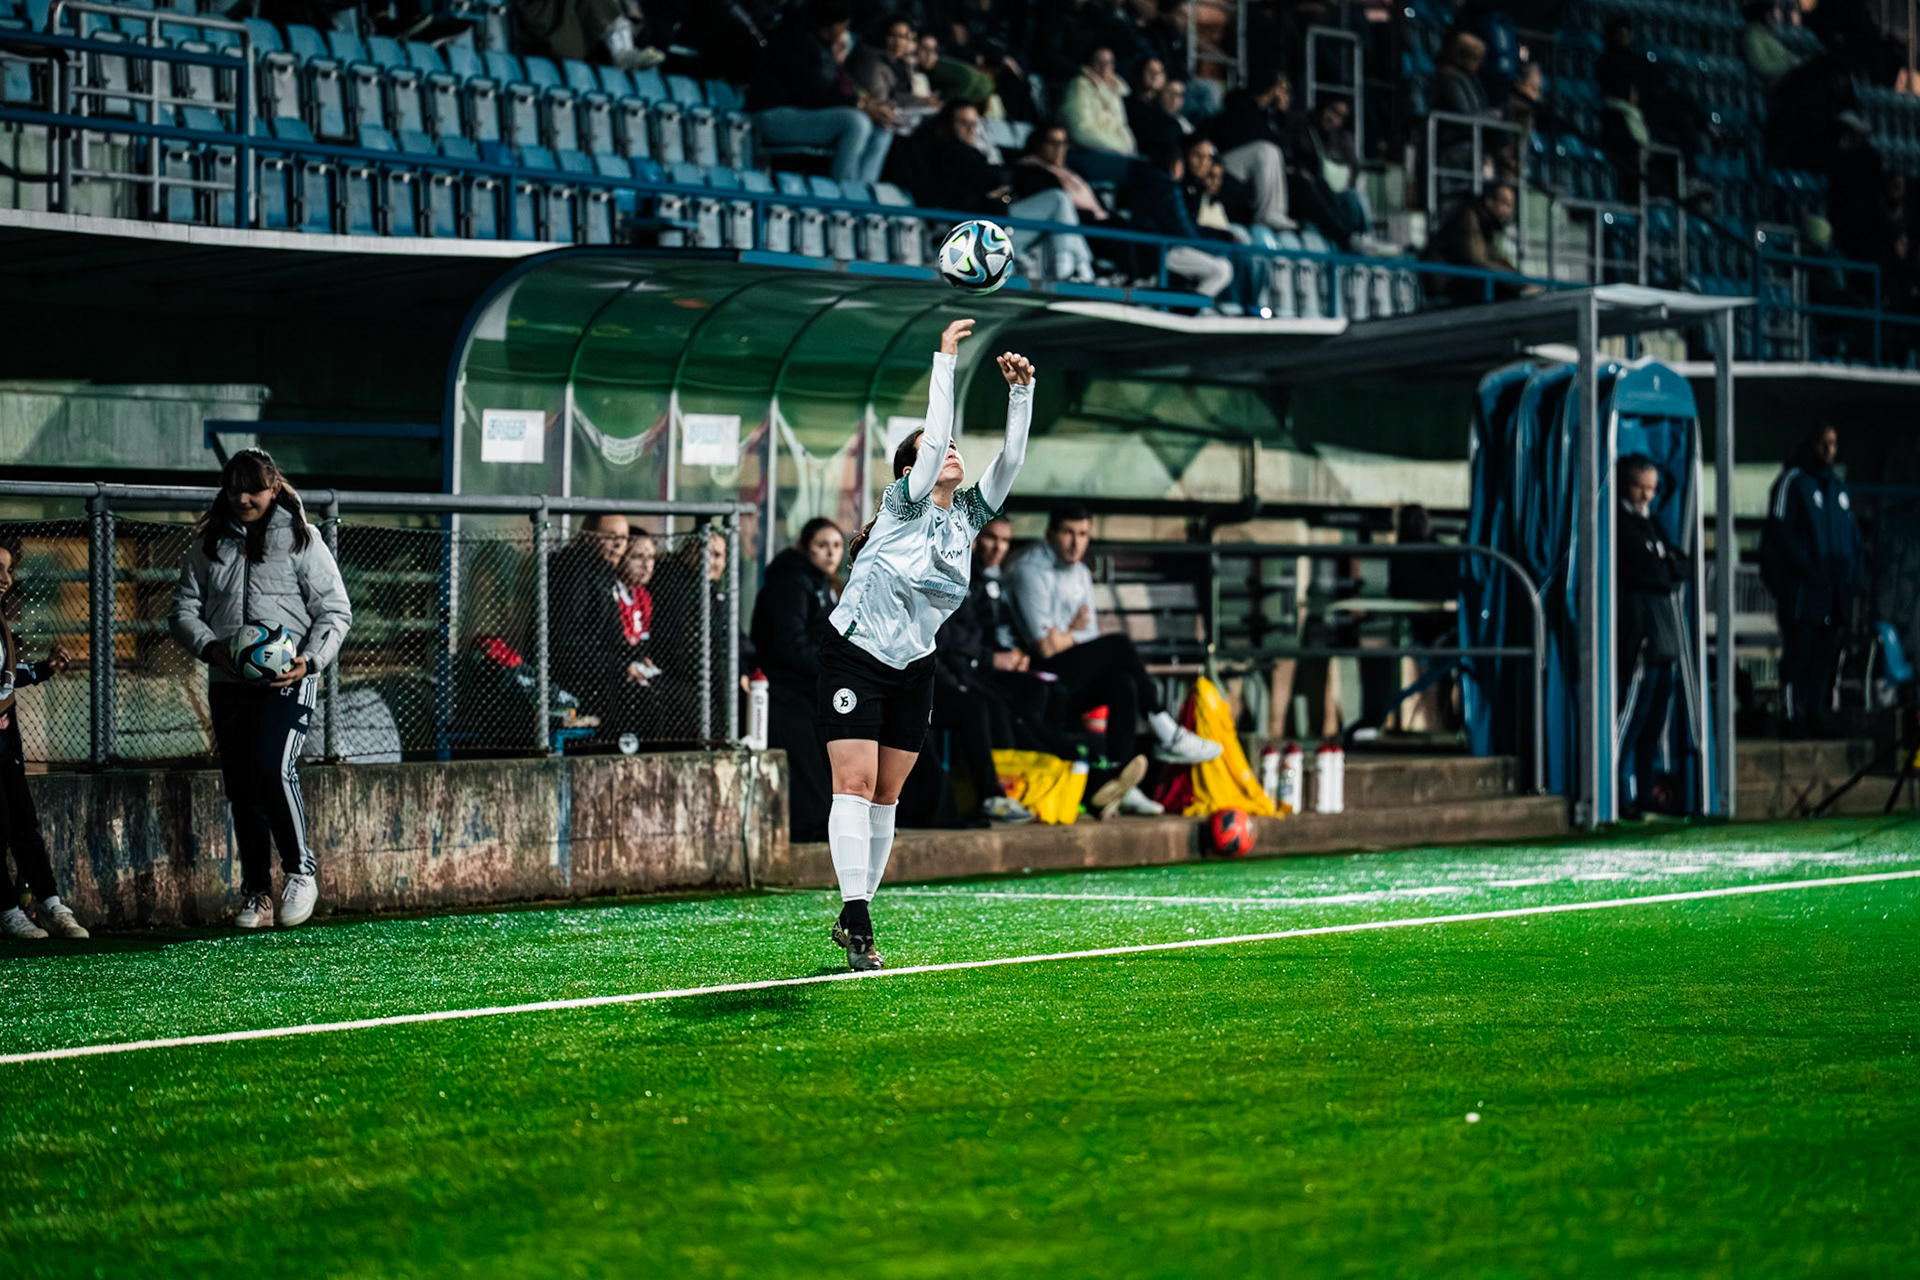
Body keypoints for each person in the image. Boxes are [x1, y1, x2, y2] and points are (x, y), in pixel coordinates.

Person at [820, 319, 1032, 972]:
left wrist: (1021, 396)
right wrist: (945, 359)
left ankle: (855, 912)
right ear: (910, 469)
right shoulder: (904, 505)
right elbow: (934, 434)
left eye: (952, 447)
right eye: (934, 449)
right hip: (855, 657)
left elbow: (1012, 463)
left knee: (887, 796)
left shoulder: (964, 518)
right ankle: (858, 913)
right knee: (852, 786)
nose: (950, 451)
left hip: (915, 667)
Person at [169, 448, 352, 930]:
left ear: (274, 488)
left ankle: (300, 871)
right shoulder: (209, 543)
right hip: (229, 683)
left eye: (254, 488)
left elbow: (335, 611)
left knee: (274, 767)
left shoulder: (301, 538)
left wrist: (309, 661)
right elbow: (183, 610)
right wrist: (211, 648)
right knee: (243, 786)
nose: (244, 498)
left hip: (288, 682)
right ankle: (256, 893)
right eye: (234, 489)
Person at [1006, 501, 1222, 817]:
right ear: (1050, 533)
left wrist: (1065, 633)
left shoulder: (1080, 573)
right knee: (1118, 645)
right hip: (1036, 675)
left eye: (1083, 534)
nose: (1076, 542)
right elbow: (1045, 648)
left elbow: (1087, 636)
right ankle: (1166, 730)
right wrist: (1070, 633)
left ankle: (1122, 784)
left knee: (1122, 682)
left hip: (1068, 674)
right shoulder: (1029, 570)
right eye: (1068, 532)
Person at [0, 539, 86, 939]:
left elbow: (5, 678)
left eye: (9, 570)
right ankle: (7, 910)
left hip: (6, 732)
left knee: (24, 822)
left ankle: (50, 905)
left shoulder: (0, 619)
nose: (5, 579)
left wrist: (45, 669)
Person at [911, 101, 1097, 282]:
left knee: (1061, 203)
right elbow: (993, 179)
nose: (971, 129)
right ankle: (1073, 271)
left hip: (994, 226)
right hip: (978, 235)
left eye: (974, 123)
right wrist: (991, 192)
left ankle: (1078, 269)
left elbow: (998, 179)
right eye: (963, 122)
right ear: (949, 125)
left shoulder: (972, 152)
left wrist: (995, 188)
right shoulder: (950, 152)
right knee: (1058, 199)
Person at [1760, 424, 1864, 739]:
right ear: (1812, 444)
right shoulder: (1793, 482)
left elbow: (1853, 538)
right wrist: (1804, 570)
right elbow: (1779, 533)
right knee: (1798, 654)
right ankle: (1793, 717)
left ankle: (1817, 712)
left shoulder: (1838, 489)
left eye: (1834, 444)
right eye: (1824, 444)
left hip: (1835, 592)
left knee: (1826, 656)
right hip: (1803, 592)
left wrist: (1851, 578)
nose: (1829, 451)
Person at [750, 518, 843, 842]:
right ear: (806, 548)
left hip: (810, 678)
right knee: (806, 722)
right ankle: (814, 818)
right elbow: (790, 645)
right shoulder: (791, 583)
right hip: (782, 681)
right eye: (822, 545)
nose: (830, 553)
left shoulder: (825, 584)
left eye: (835, 545)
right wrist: (830, 671)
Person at [749, 0, 895, 186]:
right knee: (856, 122)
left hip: (803, 113)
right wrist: (859, 106)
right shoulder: (796, 41)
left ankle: (863, 191)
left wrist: (866, 104)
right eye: (844, 25)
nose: (845, 31)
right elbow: (814, 95)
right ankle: (844, 193)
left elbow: (833, 88)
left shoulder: (823, 45)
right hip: (773, 116)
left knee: (881, 127)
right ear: (834, 23)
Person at [1616, 456, 1689, 817]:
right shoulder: (1620, 525)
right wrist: (1667, 569)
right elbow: (1654, 571)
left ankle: (1644, 792)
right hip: (1641, 638)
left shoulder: (1652, 525)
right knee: (1630, 720)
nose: (1646, 495)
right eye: (1639, 486)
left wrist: (1667, 568)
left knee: (1653, 724)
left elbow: (1681, 564)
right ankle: (1614, 793)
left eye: (1651, 487)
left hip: (1665, 640)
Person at [547, 512, 633, 734]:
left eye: (623, 538)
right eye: (609, 536)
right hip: (577, 680)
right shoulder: (574, 572)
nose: (617, 545)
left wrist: (637, 659)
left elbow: (614, 637)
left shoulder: (604, 575)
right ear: (588, 536)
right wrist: (620, 667)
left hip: (602, 672)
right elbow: (564, 644)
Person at [1123, 147, 1235, 298]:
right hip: (1162, 250)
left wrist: (1221, 236)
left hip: (1159, 248)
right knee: (1222, 269)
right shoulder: (1168, 189)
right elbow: (1183, 232)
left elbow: (1186, 225)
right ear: (1175, 164)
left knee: (1222, 265)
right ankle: (1191, 307)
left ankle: (1192, 305)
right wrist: (1216, 247)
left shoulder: (1149, 184)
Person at [1209, 66, 1294, 230]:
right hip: (1225, 162)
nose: (1284, 93)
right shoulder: (1240, 103)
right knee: (1266, 151)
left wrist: (1282, 115)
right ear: (1271, 86)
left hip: (1248, 167)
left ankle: (1277, 214)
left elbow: (1283, 148)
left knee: (1272, 152)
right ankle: (1267, 215)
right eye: (1281, 87)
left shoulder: (1269, 113)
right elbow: (1260, 138)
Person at [1424, 181, 1525, 305]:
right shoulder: (1469, 219)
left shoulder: (1487, 223)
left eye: (1510, 206)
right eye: (1504, 204)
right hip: (1446, 283)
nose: (1507, 211)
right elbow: (1475, 261)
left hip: (1461, 280)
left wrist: (1516, 276)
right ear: (1489, 201)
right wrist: (1514, 280)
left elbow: (1495, 256)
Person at [1061, 45, 1138, 154]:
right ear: (1090, 63)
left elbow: (1122, 126)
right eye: (1099, 62)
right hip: (1088, 151)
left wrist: (1128, 148)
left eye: (1109, 62)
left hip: (1115, 152)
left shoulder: (1115, 90)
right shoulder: (1080, 85)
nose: (1105, 67)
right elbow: (1080, 130)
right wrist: (1118, 148)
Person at [1740, 0, 1803, 88]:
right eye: (1774, 11)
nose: (1778, 16)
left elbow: (1788, 57)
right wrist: (1792, 69)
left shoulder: (1767, 34)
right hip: (1780, 85)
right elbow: (1762, 65)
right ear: (1766, 15)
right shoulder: (1752, 35)